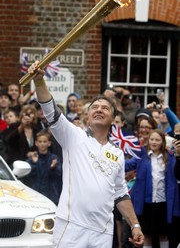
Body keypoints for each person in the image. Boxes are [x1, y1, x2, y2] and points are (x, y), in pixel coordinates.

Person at [27, 61, 144, 248]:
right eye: (94, 107)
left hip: (103, 232)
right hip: (72, 228)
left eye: (105, 108)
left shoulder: (117, 153)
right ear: (88, 117)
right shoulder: (74, 137)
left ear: (114, 119)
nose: (99, 109)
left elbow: (120, 193)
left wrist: (135, 225)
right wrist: (40, 81)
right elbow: (50, 111)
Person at [125, 129, 180, 248]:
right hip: (146, 202)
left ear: (162, 142)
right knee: (147, 234)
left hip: (163, 202)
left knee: (163, 234)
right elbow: (128, 165)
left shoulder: (170, 157)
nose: (154, 142)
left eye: (157, 140)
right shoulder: (142, 155)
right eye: (152, 139)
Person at [26, 130, 62, 205]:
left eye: (45, 141)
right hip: (35, 195)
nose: (42, 144)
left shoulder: (54, 159)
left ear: (49, 143)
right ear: (36, 143)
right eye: (40, 141)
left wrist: (52, 168)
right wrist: (34, 163)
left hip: (51, 196)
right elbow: (28, 176)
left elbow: (58, 176)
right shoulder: (32, 159)